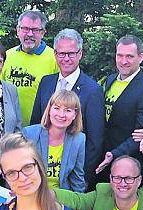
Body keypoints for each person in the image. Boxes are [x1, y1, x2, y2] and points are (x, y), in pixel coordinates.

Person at [31, 28, 105, 180]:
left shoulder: (93, 90)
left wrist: (81, 177)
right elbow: (36, 123)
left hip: (71, 175)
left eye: (71, 53)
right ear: (55, 54)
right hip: (39, 170)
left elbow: (94, 142)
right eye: (61, 54)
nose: (66, 58)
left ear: (80, 54)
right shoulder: (46, 82)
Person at [94, 35, 143, 180]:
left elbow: (141, 135)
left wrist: (115, 154)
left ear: (140, 57)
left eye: (129, 56)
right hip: (101, 158)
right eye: (120, 55)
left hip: (127, 166)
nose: (123, 61)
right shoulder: (111, 79)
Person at [1, 10, 58, 127]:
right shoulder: (7, 56)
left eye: (35, 30)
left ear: (43, 33)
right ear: (18, 30)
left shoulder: (54, 59)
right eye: (25, 29)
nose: (30, 34)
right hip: (9, 127)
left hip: (41, 128)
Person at [22, 90, 86, 191]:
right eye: (57, 108)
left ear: (75, 115)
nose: (61, 114)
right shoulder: (29, 134)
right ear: (49, 110)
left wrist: (78, 204)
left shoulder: (79, 140)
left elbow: (77, 178)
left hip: (61, 197)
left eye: (68, 110)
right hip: (32, 193)